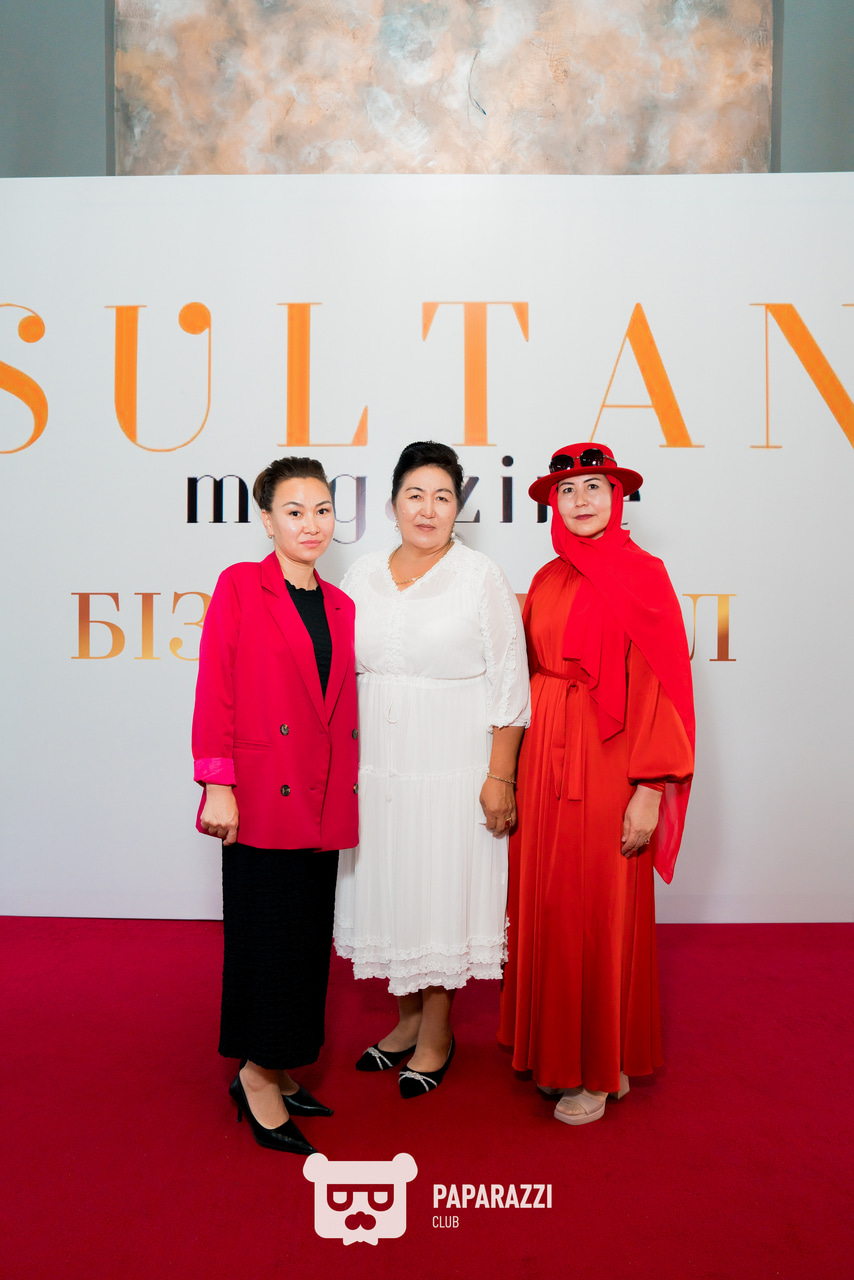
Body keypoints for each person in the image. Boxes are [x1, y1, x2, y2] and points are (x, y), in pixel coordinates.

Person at [498, 443, 694, 1126]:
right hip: (543, 759)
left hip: (610, 762)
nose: (580, 500)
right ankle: (558, 1054)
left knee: (601, 909)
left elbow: (663, 687)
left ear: (617, 496)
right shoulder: (547, 576)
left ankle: (600, 1068)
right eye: (567, 490)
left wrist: (650, 788)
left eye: (594, 487)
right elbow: (520, 669)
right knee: (549, 902)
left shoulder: (645, 574)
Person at [334, 441, 530, 1097]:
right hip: (378, 768)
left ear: (457, 508)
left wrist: (500, 777)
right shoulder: (361, 573)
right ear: (392, 504)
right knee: (394, 887)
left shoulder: (480, 577)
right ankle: (406, 1020)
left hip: (453, 767)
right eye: (415, 495)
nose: (428, 508)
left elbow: (511, 687)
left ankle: (438, 1033)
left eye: (442, 496)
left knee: (439, 891)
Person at [192, 456, 358, 1153]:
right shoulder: (239, 585)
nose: (311, 524)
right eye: (294, 511)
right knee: (265, 939)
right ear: (267, 520)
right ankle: (255, 1076)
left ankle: (281, 1064)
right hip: (260, 794)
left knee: (305, 942)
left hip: (319, 798)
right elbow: (216, 684)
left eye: (322, 510)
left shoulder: (342, 604)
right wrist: (217, 782)